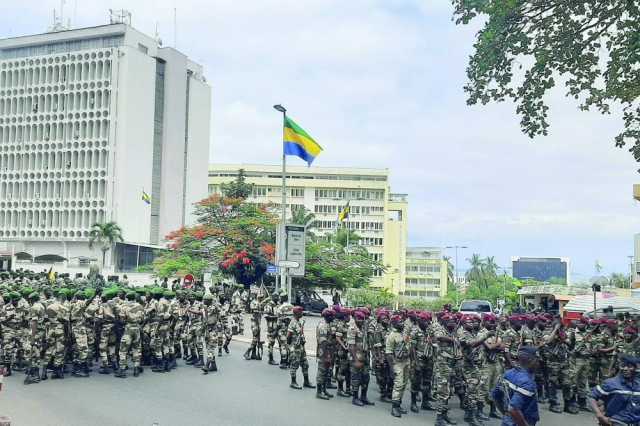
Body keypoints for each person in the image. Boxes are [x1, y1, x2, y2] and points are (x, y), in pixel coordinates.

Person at [492, 346, 540, 426]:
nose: (538, 363)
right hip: (522, 421)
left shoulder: (508, 373)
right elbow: (514, 409)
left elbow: (495, 396)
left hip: (507, 421)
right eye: (537, 360)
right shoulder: (527, 382)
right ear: (530, 360)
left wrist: (505, 413)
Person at [590, 354, 640, 426]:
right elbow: (591, 396)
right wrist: (599, 415)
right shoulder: (611, 383)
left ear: (635, 368)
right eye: (623, 366)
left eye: (629, 366)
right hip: (615, 422)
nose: (625, 369)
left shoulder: (638, 385)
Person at [386, 314, 410, 417]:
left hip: (406, 362)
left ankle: (399, 404)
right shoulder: (392, 335)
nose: (402, 323)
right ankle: (394, 407)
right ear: (394, 323)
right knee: (398, 385)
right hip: (397, 363)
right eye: (399, 322)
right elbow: (389, 353)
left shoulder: (404, 333)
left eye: (402, 321)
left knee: (404, 384)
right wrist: (392, 368)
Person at [287, 306, 313, 390]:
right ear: (296, 313)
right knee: (294, 365)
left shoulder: (299, 322)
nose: (302, 313)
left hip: (301, 347)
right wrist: (291, 346)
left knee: (305, 364)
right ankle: (293, 382)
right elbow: (288, 336)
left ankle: (306, 381)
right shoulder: (293, 322)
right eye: (300, 312)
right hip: (295, 347)